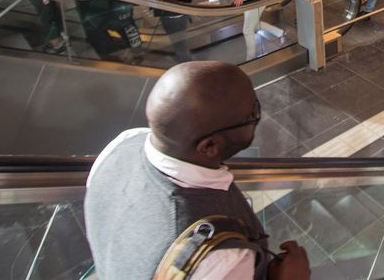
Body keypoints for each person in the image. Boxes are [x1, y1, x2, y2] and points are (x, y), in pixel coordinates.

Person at [85, 61, 310, 280]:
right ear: (209, 146)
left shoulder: (121, 145)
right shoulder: (219, 259)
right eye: (252, 114)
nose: (257, 116)